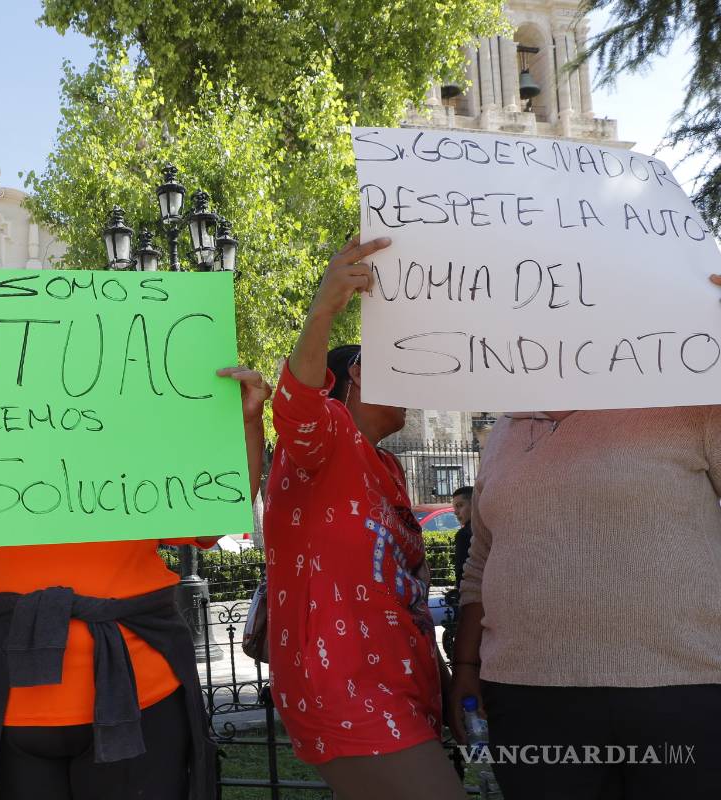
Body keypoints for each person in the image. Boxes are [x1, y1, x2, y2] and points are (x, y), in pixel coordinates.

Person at [448, 269, 721, 799]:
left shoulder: (691, 402)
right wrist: (466, 666)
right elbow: (481, 560)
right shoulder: (503, 431)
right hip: (528, 697)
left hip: (683, 689)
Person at [0, 364, 270, 800]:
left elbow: (215, 515)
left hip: (140, 695)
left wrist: (248, 423)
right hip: (6, 702)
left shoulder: (140, 413)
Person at [263, 234, 464, 799]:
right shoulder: (327, 437)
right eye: (396, 368)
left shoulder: (388, 467)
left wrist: (440, 674)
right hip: (344, 690)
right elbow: (297, 405)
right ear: (355, 377)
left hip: (405, 686)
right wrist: (325, 306)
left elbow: (402, 586)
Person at [450, 485, 473, 591]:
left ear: (474, 504)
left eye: (460, 505)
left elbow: (461, 575)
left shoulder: (464, 535)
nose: (455, 512)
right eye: (455, 508)